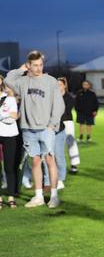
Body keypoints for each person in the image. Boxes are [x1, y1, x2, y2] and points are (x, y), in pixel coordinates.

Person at [5, 50, 64, 209]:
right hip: (28, 129)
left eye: (41, 65)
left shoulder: (51, 81)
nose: (39, 68)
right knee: (36, 161)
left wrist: (53, 124)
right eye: (35, 65)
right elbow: (9, 79)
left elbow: (59, 105)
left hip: (46, 128)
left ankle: (53, 196)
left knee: (50, 161)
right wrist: (21, 69)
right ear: (29, 66)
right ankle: (38, 196)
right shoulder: (23, 82)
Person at [0, 75, 20, 209]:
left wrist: (3, 115)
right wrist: (7, 115)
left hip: (10, 135)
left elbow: (14, 117)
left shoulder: (10, 98)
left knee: (9, 166)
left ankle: (11, 196)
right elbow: (10, 115)